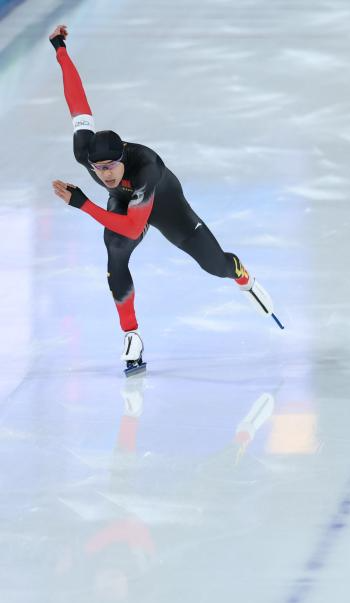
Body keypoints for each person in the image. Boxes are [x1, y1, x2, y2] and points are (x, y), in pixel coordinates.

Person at [48, 25, 280, 374]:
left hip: (168, 211)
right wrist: (60, 49)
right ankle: (131, 335)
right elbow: (77, 100)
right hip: (125, 205)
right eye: (98, 168)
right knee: (115, 251)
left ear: (123, 157)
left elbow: (133, 226)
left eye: (111, 167)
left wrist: (83, 203)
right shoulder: (86, 152)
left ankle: (241, 274)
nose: (105, 174)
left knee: (215, 266)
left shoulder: (146, 167)